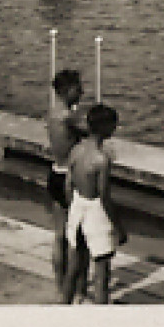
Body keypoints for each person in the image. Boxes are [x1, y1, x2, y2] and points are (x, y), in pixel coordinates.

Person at [61, 103, 128, 305]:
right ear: (105, 127)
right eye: (113, 125)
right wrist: (119, 227)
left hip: (77, 206)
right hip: (95, 211)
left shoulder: (76, 150)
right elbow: (104, 197)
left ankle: (61, 307)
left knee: (74, 267)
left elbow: (68, 185)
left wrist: (71, 211)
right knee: (102, 273)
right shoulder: (102, 159)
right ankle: (100, 319)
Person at [45, 69, 89, 297]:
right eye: (78, 88)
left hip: (55, 171)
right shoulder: (69, 117)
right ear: (68, 90)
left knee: (60, 234)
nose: (82, 91)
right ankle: (79, 289)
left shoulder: (53, 113)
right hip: (71, 179)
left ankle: (61, 284)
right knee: (79, 237)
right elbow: (92, 129)